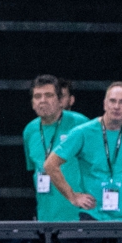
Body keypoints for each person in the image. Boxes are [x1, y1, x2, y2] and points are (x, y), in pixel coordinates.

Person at [44, 82, 122, 222]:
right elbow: (50, 164)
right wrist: (73, 196)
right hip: (93, 216)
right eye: (112, 101)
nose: (116, 106)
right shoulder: (83, 132)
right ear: (105, 104)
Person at [22, 75, 87, 222]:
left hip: (79, 217)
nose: (43, 100)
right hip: (45, 218)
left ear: (60, 100)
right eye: (37, 96)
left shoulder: (80, 124)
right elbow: (33, 168)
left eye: (49, 95)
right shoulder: (29, 131)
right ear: (32, 103)